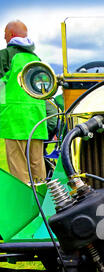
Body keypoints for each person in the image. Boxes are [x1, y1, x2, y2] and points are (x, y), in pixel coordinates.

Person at [0, 20, 48, 184]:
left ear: (11, 35)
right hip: (37, 117)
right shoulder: (37, 58)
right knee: (37, 165)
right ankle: (42, 204)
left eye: (5, 34)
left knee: (18, 167)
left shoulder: (5, 55)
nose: (4, 38)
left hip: (15, 119)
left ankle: (24, 206)